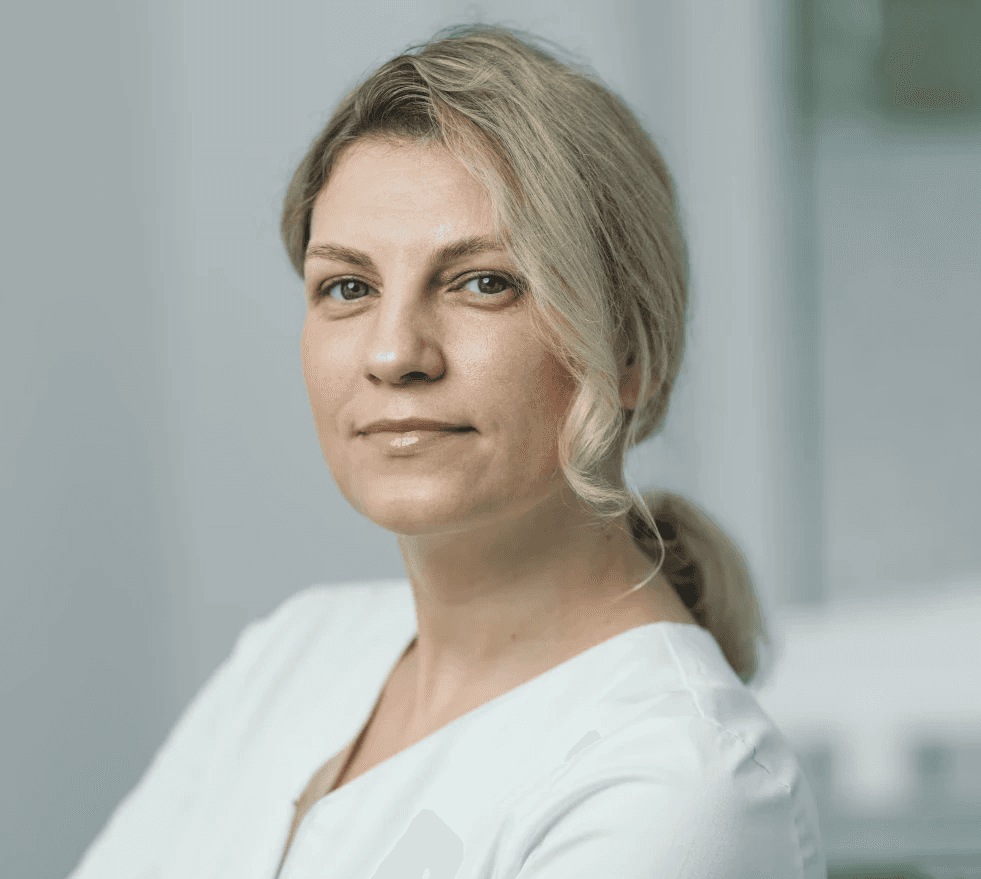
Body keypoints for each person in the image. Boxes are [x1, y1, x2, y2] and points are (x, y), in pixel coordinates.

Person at [68, 22, 826, 879]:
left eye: (482, 282)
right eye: (347, 286)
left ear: (629, 352)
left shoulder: (679, 784)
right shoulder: (295, 648)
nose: (394, 352)